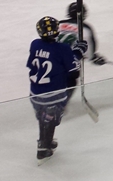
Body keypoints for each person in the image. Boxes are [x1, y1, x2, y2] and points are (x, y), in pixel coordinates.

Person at [28, 16, 85, 163]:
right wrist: (78, 51)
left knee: (43, 117)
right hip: (54, 93)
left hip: (35, 93)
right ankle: (43, 147)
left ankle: (44, 140)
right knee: (51, 119)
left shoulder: (34, 44)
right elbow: (73, 69)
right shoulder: (63, 49)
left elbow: (32, 64)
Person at [57, 2, 105, 66]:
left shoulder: (59, 24)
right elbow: (89, 52)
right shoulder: (85, 28)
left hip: (52, 58)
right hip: (70, 62)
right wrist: (93, 58)